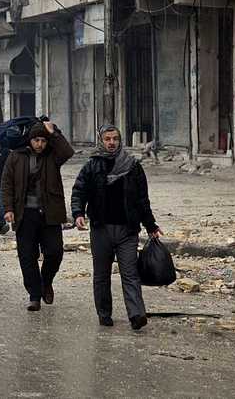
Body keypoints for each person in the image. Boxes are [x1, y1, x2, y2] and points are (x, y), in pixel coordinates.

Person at [71, 125, 162, 330]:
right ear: (101, 141)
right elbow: (79, 191)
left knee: (130, 273)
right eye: (107, 139)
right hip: (101, 229)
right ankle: (104, 313)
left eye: (115, 138)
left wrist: (150, 225)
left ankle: (137, 314)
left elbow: (142, 199)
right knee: (101, 275)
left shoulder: (133, 166)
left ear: (120, 140)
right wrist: (78, 213)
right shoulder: (92, 166)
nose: (111, 142)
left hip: (127, 230)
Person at [1, 120, 74, 311]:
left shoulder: (53, 156)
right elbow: (7, 184)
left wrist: (53, 132)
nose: (40, 144)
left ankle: (46, 281)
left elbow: (68, 152)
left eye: (43, 140)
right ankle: (34, 295)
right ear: (30, 140)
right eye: (36, 140)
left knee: (55, 252)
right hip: (25, 214)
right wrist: (8, 209)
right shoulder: (16, 156)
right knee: (27, 256)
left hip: (50, 212)